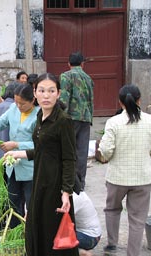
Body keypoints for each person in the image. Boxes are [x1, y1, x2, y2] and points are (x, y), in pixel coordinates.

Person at [5, 73, 78, 256]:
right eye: (42, 91)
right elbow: (43, 150)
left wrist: (66, 192)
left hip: (56, 185)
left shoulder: (63, 121)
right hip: (39, 182)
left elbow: (69, 159)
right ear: (35, 93)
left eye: (51, 91)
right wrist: (22, 153)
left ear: (58, 93)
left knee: (52, 231)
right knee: (38, 227)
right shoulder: (40, 118)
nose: (46, 95)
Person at [98, 84, 151, 256]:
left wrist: (108, 156)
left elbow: (106, 150)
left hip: (117, 177)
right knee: (137, 217)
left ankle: (112, 244)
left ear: (120, 102)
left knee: (112, 210)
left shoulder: (114, 122)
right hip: (143, 177)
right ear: (139, 100)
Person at [0, 83, 38, 228]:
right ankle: (15, 231)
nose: (18, 106)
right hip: (13, 167)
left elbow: (41, 145)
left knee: (31, 204)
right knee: (13, 202)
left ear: (32, 101)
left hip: (30, 168)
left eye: (22, 103)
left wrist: (16, 144)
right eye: (16, 102)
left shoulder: (39, 115)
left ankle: (31, 235)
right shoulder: (13, 109)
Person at [60, 51, 94, 191]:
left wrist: (60, 117)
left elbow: (64, 99)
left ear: (68, 64)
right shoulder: (88, 78)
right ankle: (80, 182)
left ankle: (68, 181)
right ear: (82, 64)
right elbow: (91, 99)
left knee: (68, 150)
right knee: (82, 150)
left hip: (71, 118)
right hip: (85, 118)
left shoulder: (66, 76)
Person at [72, 178, 102, 256]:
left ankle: (82, 254)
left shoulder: (74, 197)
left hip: (90, 237)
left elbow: (58, 221)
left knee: (53, 234)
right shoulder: (76, 193)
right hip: (84, 233)